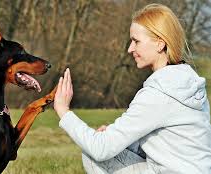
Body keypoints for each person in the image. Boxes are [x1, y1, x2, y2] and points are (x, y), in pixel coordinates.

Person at [53, 3, 211, 174]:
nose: (130, 49)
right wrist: (115, 138)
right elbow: (165, 144)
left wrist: (63, 110)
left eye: (136, 41)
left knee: (93, 154)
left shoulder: (158, 94)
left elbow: (100, 149)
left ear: (160, 44)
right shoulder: (189, 84)